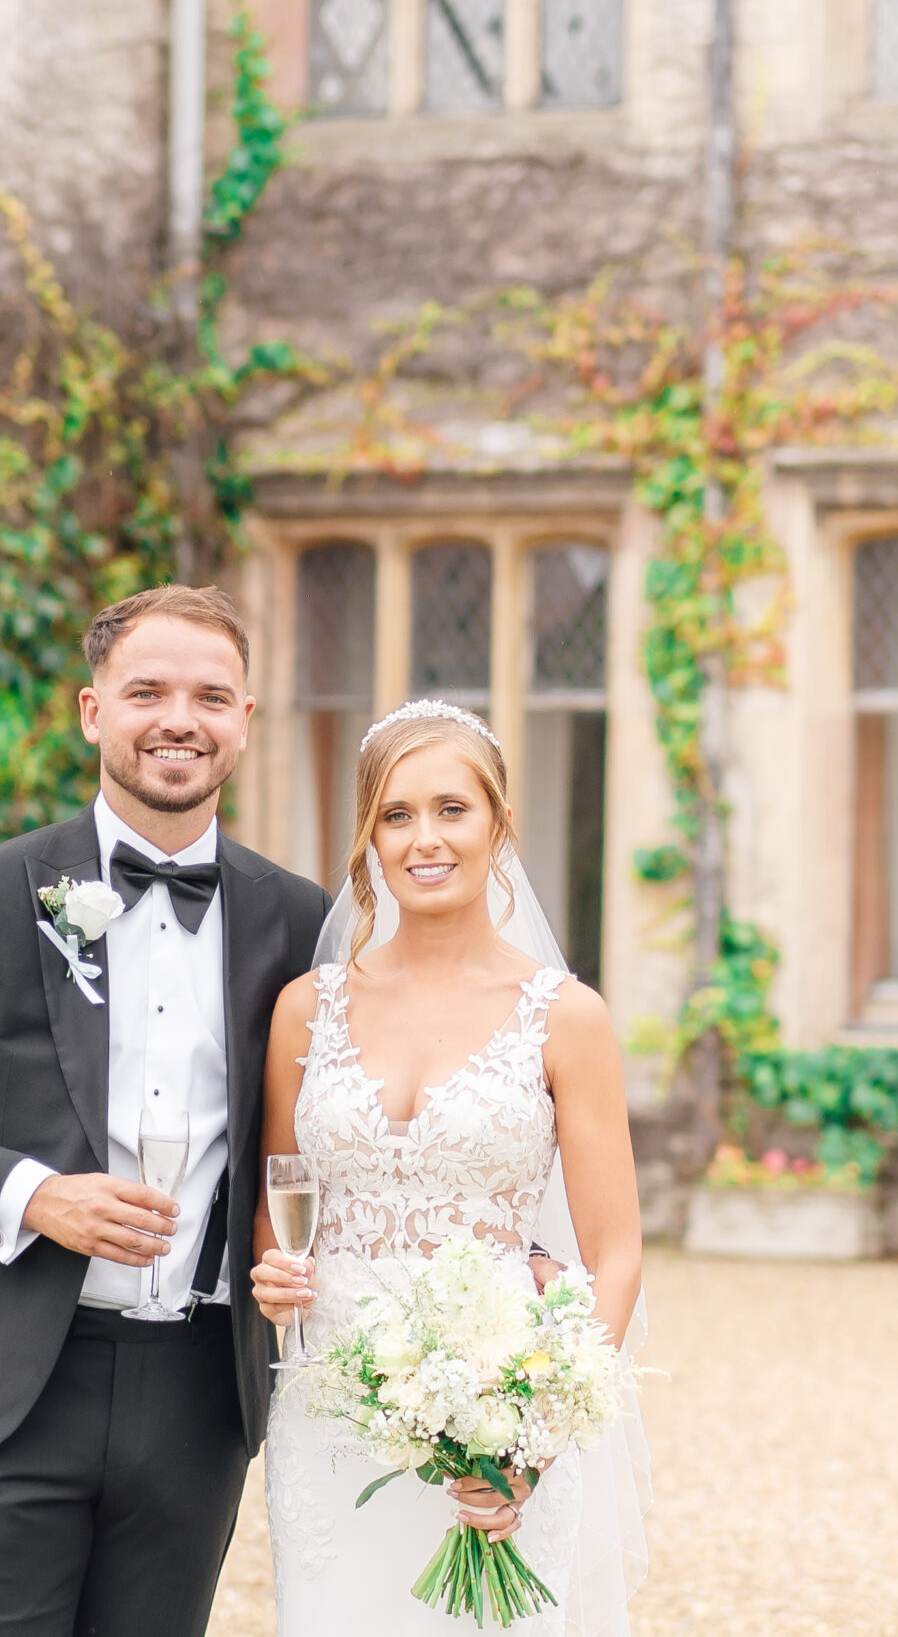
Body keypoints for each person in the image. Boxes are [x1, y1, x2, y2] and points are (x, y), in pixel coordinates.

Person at [0, 585, 329, 1637]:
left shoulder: (299, 921)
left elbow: (339, 1135)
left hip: (202, 1394)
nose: (179, 720)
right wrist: (35, 1196)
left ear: (244, 721)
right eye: (147, 691)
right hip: (10, 1379)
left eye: (211, 696)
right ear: (91, 711)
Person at [250, 698, 652, 1634]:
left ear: (500, 825)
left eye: (451, 809)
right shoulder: (306, 1009)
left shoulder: (566, 1016)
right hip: (332, 1404)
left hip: (497, 1410)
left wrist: (534, 1434)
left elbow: (617, 1251)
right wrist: (275, 1266)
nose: (424, 838)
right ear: (370, 836)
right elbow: (281, 1195)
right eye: (396, 815)